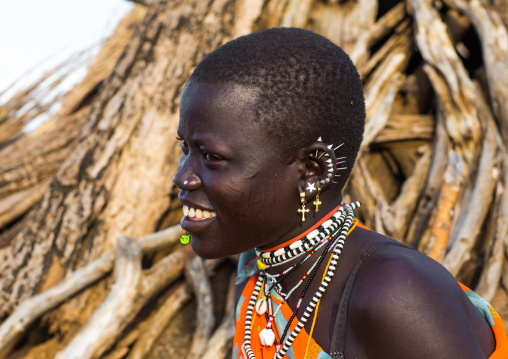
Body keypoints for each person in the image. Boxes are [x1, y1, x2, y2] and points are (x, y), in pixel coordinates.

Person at [173, 28, 507, 359]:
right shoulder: (259, 269)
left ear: (312, 173)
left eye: (212, 157)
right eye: (185, 148)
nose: (182, 177)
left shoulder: (395, 294)